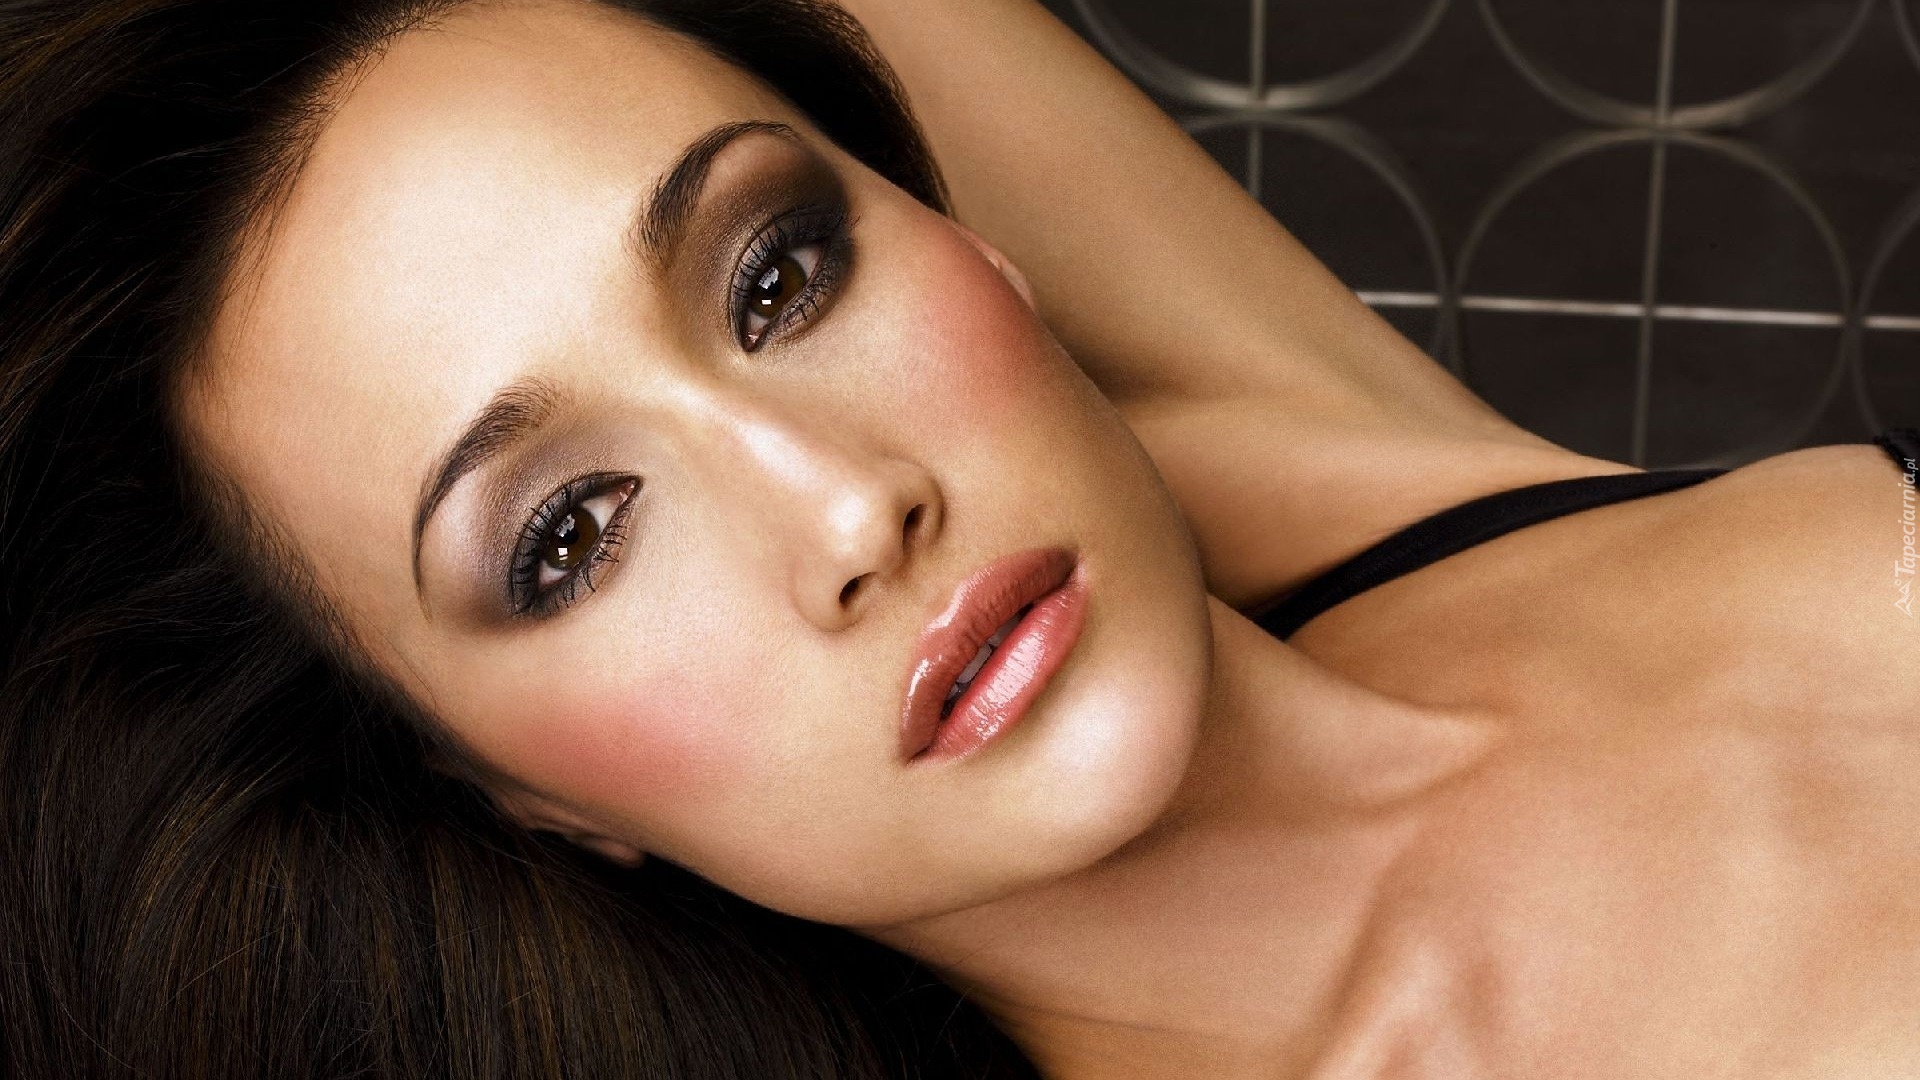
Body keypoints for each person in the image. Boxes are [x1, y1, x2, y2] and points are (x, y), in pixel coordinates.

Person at [1, 2, 1915, 1079]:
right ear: (503, 788)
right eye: (571, 538)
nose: (851, 505)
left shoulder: (1354, 469)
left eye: (776, 276)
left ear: (963, 234)